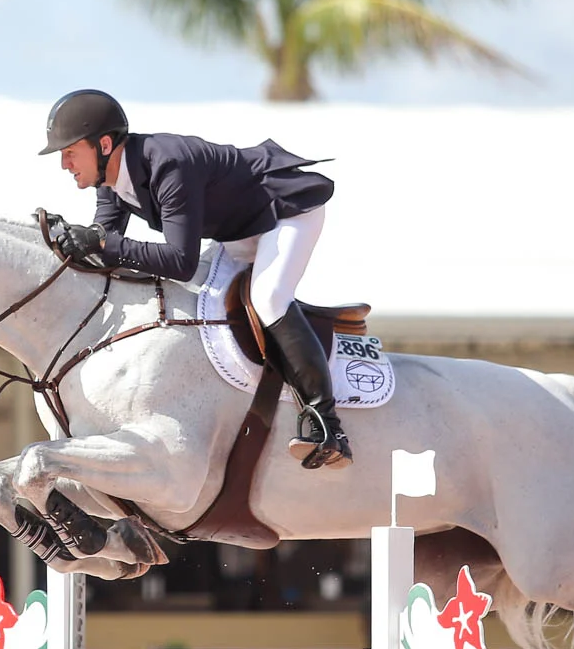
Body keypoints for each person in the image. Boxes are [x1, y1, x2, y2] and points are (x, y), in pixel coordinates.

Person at [38, 89, 352, 470]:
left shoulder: (168, 164)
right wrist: (70, 243)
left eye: (70, 152)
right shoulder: (110, 181)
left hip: (284, 211)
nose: (64, 164)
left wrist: (103, 242)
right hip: (238, 232)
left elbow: (180, 262)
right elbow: (106, 245)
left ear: (104, 145)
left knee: (268, 297)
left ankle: (327, 424)